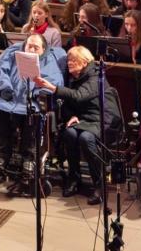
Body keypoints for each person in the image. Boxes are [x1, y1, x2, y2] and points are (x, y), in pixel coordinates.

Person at [37, 47, 121, 204]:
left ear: (85, 62)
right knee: (69, 133)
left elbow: (79, 96)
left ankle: (100, 184)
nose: (69, 63)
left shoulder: (96, 75)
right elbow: (69, 103)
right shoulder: (72, 77)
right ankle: (74, 178)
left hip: (104, 119)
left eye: (73, 60)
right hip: (85, 119)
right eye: (68, 60)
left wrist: (53, 88)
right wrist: (73, 116)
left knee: (86, 138)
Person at [0, 35, 65, 193]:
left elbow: (54, 82)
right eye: (29, 46)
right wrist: (4, 88)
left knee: (32, 116)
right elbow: (0, 71)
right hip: (9, 98)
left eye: (36, 47)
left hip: (32, 102)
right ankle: (1, 155)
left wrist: (38, 92)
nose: (31, 49)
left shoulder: (49, 61)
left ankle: (28, 159)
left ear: (43, 49)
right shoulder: (13, 54)